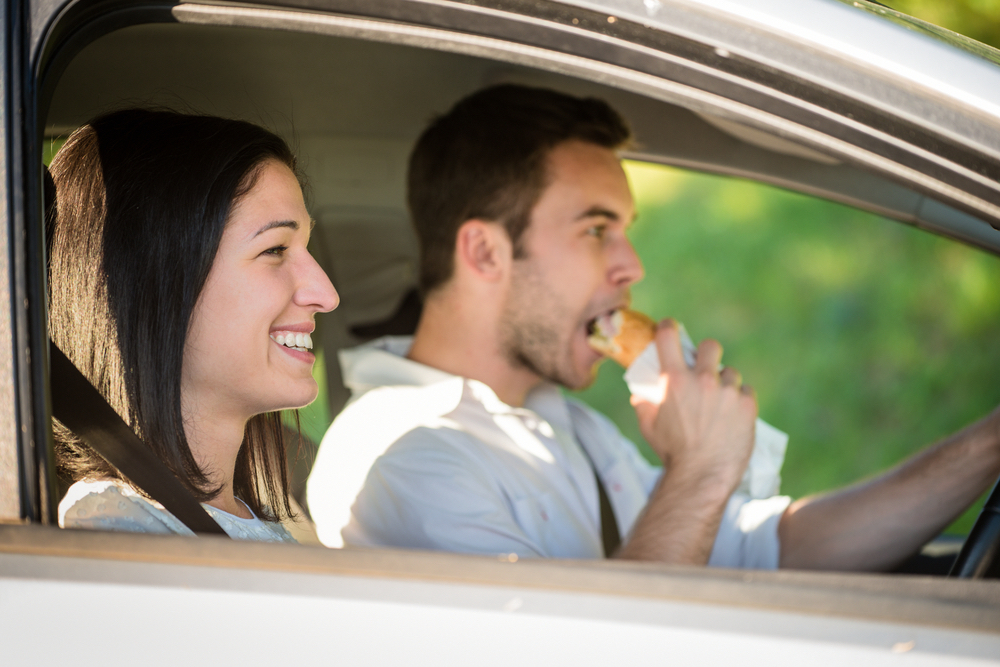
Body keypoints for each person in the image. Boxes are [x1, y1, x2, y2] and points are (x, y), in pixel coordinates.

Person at [306, 85, 1000, 569]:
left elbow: (768, 550)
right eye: (596, 229)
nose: (631, 265)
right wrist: (699, 471)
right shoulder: (403, 454)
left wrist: (988, 444)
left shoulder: (568, 427)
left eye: (625, 231)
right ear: (486, 251)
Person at [52, 109, 339, 541]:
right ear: (161, 283)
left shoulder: (241, 520)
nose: (326, 293)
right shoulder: (122, 533)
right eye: (276, 248)